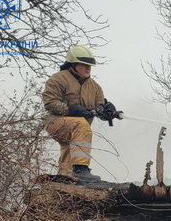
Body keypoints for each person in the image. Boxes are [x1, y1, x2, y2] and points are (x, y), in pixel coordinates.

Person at [42, 45, 121, 183]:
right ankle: (81, 170)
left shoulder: (94, 87)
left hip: (77, 130)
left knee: (73, 145)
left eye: (89, 65)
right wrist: (72, 109)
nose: (88, 68)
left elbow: (99, 107)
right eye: (84, 65)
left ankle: (66, 178)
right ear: (73, 65)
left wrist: (107, 110)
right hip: (55, 122)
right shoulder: (58, 79)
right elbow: (50, 102)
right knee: (81, 125)